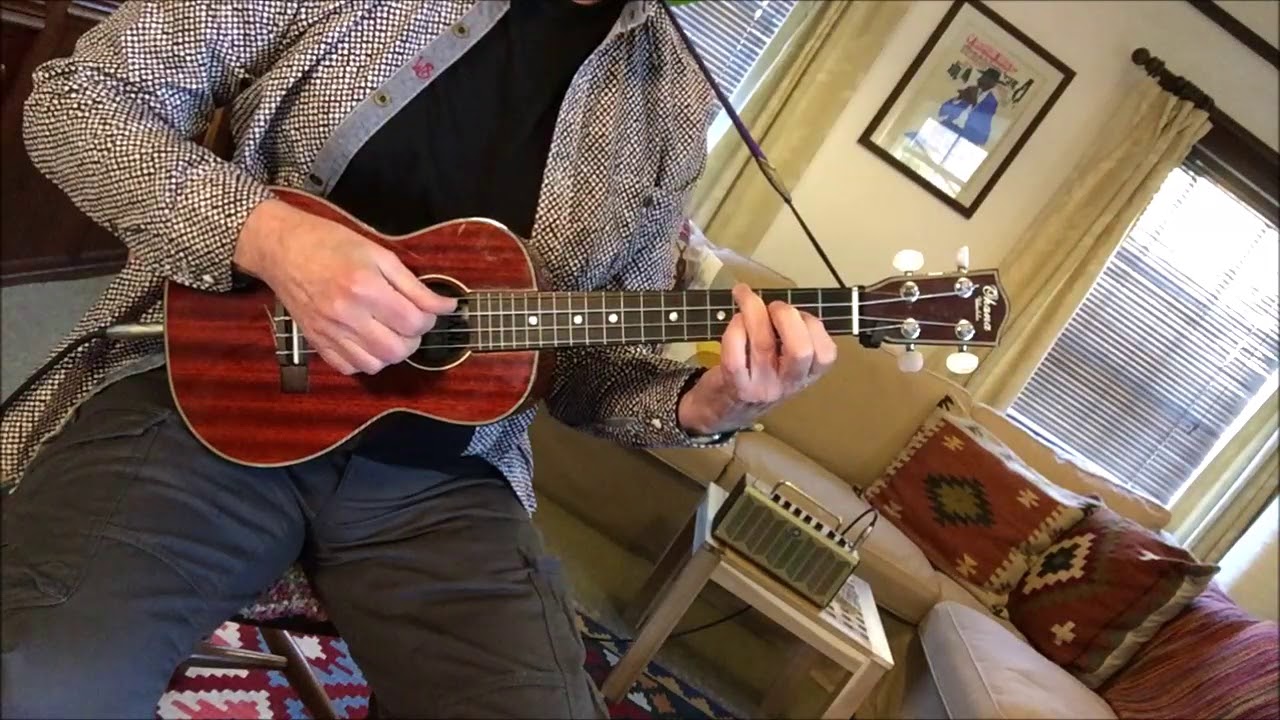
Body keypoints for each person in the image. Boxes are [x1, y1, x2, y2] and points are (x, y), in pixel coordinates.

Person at [0, 1, 837, 717]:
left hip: (445, 483)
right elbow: (77, 103)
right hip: (212, 404)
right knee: (44, 685)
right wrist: (270, 238)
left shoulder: (672, 100)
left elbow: (588, 371)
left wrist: (706, 406)